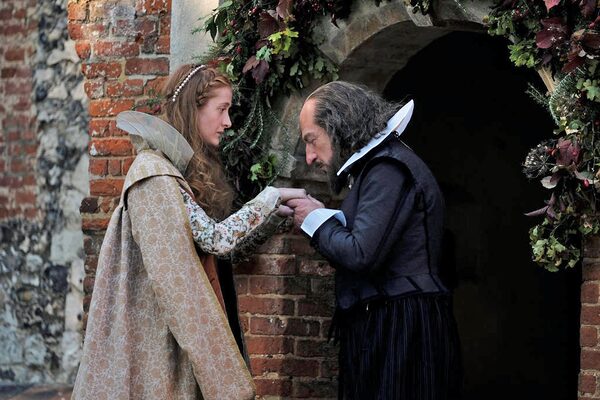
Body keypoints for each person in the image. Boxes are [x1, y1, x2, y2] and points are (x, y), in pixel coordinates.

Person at [72, 64, 305, 400]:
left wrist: (271, 214)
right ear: (193, 109)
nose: (228, 122)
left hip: (170, 336)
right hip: (154, 336)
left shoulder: (166, 170)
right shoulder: (153, 175)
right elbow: (213, 240)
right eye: (221, 109)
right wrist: (272, 196)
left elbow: (208, 244)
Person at [287, 81, 462, 399]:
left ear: (338, 128)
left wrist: (315, 220)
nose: (310, 157)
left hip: (403, 326)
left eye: (312, 140)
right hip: (388, 320)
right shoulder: (379, 167)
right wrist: (321, 216)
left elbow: (361, 253)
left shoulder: (388, 168)